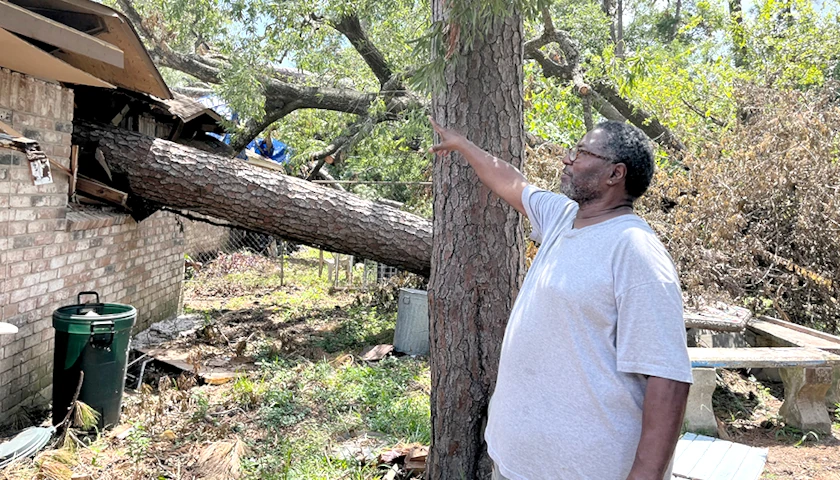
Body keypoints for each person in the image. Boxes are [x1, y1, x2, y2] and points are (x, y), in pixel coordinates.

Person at [428, 117, 693, 480]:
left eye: (582, 153)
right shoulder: (562, 217)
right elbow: (511, 180)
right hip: (515, 462)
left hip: (583, 469)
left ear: (615, 174)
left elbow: (669, 379)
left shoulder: (635, 251)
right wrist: (463, 145)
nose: (568, 159)